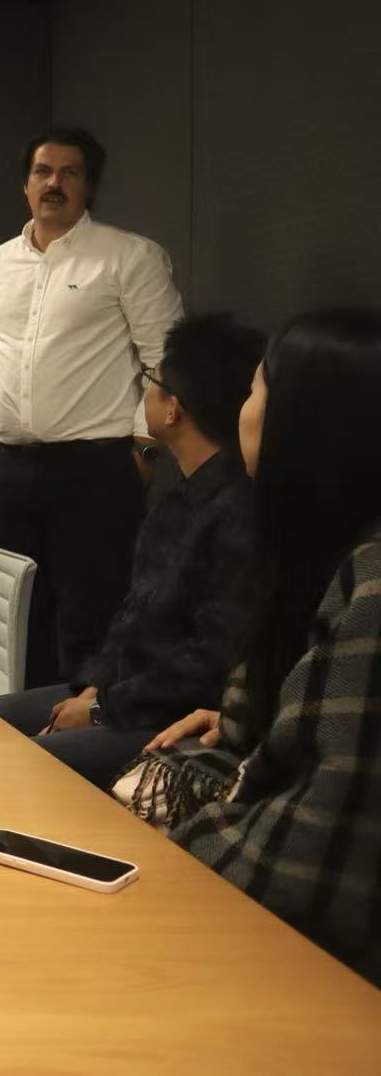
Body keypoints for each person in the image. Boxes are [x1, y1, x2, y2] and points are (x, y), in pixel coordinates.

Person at [131, 307, 381, 985]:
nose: (243, 408)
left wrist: (164, 851)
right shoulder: (315, 550)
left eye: (256, 390)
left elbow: (317, 853)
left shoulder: (368, 586)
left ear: (305, 423)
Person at [0, 312, 263, 788]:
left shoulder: (239, 510)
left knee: (22, 763)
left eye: (152, 380)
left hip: (170, 715)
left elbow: (211, 660)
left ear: (174, 410)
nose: (143, 389)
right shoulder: (180, 498)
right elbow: (133, 618)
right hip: (126, 692)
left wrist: (100, 708)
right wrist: (95, 689)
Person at [0, 128, 185, 686]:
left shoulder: (129, 257)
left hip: (97, 471)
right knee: (13, 628)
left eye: (69, 172)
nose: (53, 183)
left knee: (93, 621)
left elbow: (168, 359)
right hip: (5, 470)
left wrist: (144, 450)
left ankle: (85, 731)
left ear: (90, 185)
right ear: (26, 183)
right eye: (43, 171)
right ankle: (13, 729)